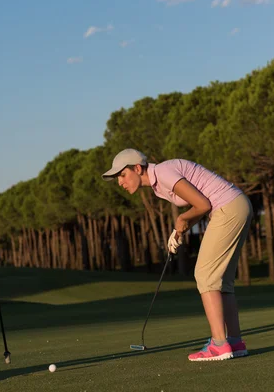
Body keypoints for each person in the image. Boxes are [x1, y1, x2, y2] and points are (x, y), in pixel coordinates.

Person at [102, 148, 252, 361]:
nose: (120, 182)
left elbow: (203, 205)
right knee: (221, 280)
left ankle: (220, 344)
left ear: (137, 168)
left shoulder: (163, 172)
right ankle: (235, 342)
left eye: (123, 175)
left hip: (227, 208)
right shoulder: (158, 186)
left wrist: (181, 222)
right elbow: (200, 206)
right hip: (236, 205)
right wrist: (178, 231)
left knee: (205, 275)